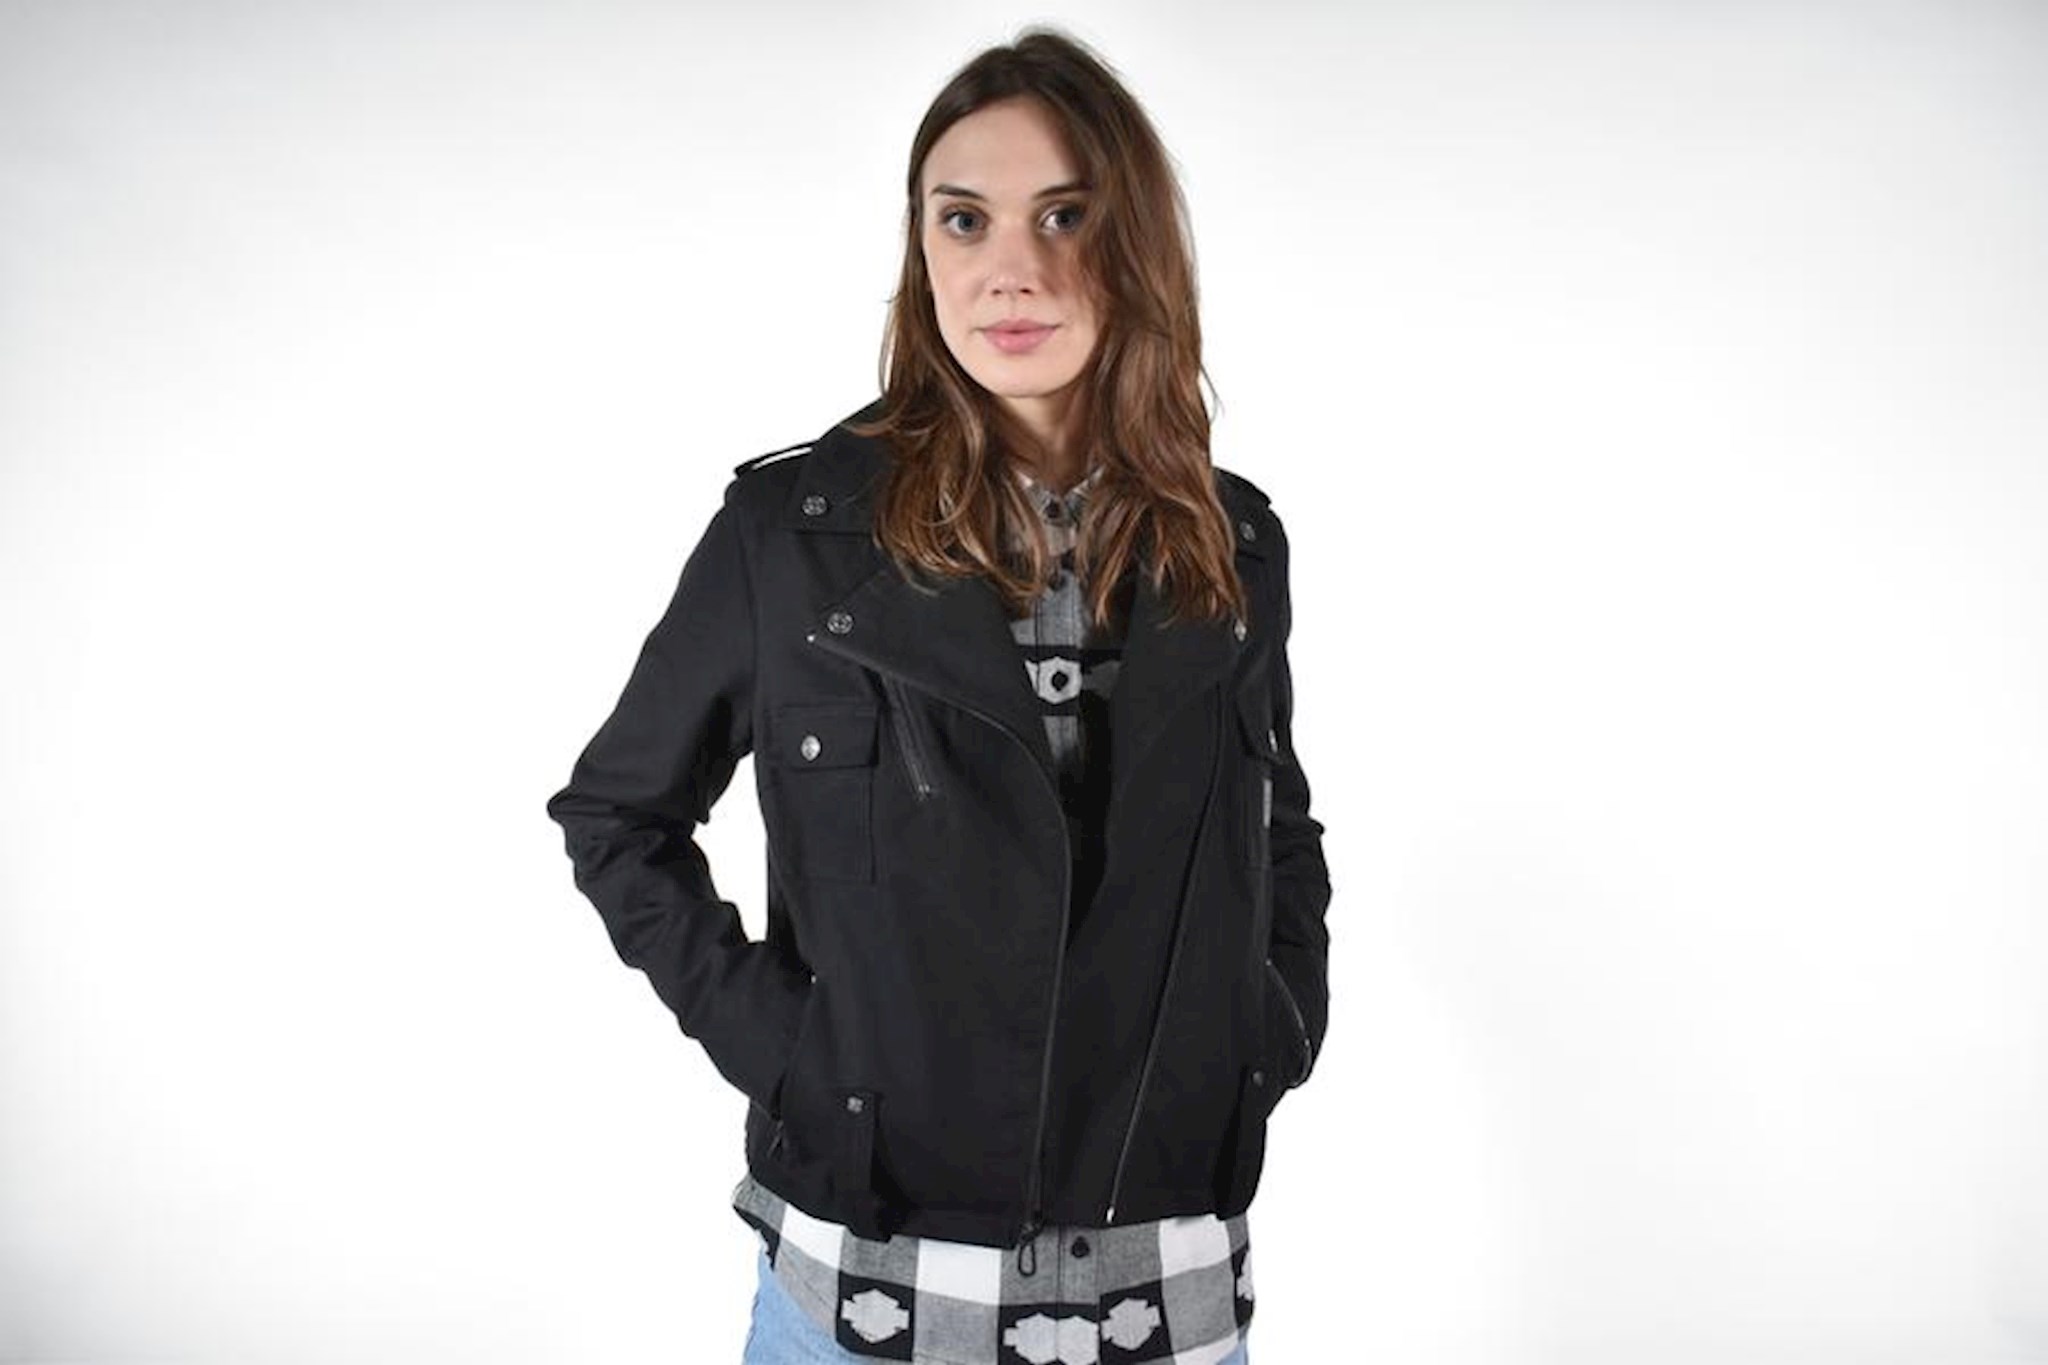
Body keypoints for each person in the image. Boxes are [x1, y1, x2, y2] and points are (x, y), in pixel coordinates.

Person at [545, 26, 1330, 1365]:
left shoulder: (1232, 541)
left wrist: (1271, 1028)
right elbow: (618, 816)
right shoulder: (789, 537)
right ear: (921, 249)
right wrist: (793, 1054)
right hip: (865, 1292)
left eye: (1065, 216)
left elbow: (1274, 826)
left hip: (1166, 1294)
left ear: (1137, 243)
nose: (1009, 270)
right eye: (963, 220)